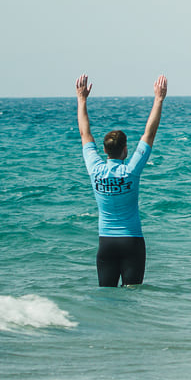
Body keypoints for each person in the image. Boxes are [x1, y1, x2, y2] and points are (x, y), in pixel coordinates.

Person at [76, 73, 168, 287]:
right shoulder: (131, 171)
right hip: (132, 242)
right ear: (125, 149)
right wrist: (158, 99)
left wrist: (81, 100)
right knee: (132, 294)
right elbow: (149, 134)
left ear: (104, 150)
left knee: (106, 297)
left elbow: (84, 134)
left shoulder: (95, 170)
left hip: (106, 244)